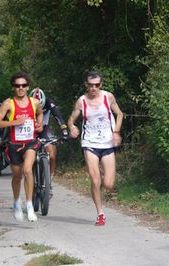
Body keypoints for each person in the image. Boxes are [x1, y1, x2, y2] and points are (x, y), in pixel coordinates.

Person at [67, 71, 123, 226]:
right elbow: (71, 119)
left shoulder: (108, 97)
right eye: (91, 85)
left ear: (101, 85)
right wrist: (72, 127)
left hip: (107, 143)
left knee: (109, 184)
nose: (94, 88)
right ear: (86, 85)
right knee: (95, 178)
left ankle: (104, 176)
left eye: (97, 85)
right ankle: (100, 213)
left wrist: (116, 132)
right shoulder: (81, 101)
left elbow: (120, 114)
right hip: (89, 143)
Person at [0, 71, 43, 222]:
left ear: (28, 87)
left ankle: (29, 206)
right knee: (17, 176)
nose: (20, 88)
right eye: (17, 86)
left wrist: (39, 123)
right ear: (13, 88)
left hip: (30, 143)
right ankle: (16, 203)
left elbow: (40, 113)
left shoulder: (34, 102)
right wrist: (13, 122)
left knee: (28, 170)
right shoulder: (8, 104)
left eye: (24, 85)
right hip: (14, 144)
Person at [29, 88, 68, 196]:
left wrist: (64, 130)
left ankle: (49, 181)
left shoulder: (49, 102)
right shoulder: (26, 102)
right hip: (30, 129)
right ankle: (30, 179)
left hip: (44, 128)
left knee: (51, 154)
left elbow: (58, 116)